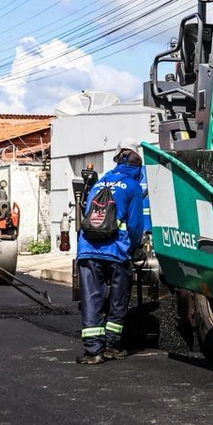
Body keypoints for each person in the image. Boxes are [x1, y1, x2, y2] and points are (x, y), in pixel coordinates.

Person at [74, 138, 149, 365]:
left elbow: (87, 214)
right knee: (118, 300)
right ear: (137, 164)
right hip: (117, 251)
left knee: (91, 300)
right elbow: (135, 225)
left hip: (88, 249)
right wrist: (136, 248)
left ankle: (93, 351)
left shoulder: (101, 183)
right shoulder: (133, 187)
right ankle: (112, 346)